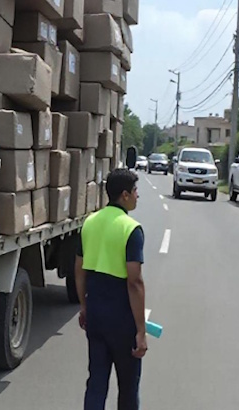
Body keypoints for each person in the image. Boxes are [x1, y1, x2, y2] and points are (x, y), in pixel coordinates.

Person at [75, 168, 147, 410]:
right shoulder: (131, 229)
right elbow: (134, 282)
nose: (137, 196)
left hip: (95, 313)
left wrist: (84, 307)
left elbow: (79, 270)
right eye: (135, 191)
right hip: (122, 318)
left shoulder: (89, 222)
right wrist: (141, 330)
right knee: (127, 386)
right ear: (124, 195)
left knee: (96, 382)